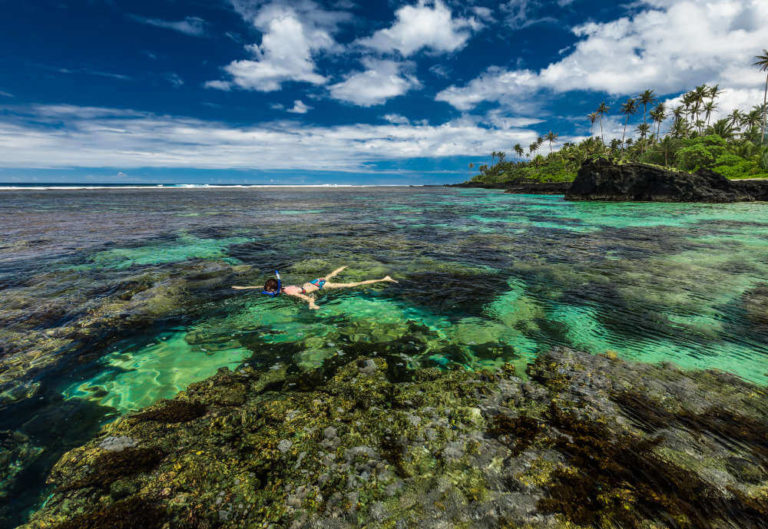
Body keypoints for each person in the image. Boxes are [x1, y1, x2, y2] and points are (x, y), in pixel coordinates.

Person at [232, 266, 397, 310]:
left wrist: (312, 304)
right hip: (313, 282)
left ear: (275, 290)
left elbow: (307, 297)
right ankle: (340, 269)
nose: (267, 293)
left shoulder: (289, 292)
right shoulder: (281, 288)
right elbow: (259, 287)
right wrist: (242, 288)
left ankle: (384, 278)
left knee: (352, 284)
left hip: (318, 286)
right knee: (328, 276)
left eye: (269, 292)